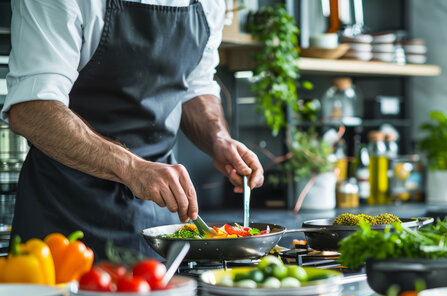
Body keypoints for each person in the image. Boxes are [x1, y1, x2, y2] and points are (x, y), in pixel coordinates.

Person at [1, 0, 264, 259]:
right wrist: (132, 168)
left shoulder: (209, 5)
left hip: (157, 224)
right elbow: (32, 108)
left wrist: (217, 139)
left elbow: (196, 85)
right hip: (62, 219)